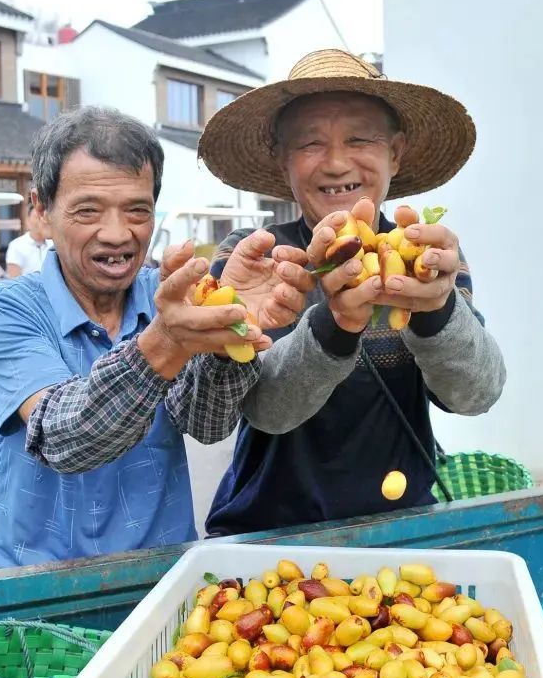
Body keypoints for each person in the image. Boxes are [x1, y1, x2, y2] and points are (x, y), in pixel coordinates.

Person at [0, 106, 313, 570]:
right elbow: (65, 439)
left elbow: (207, 424)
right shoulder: (5, 309)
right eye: (88, 210)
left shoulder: (167, 293)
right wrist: (168, 341)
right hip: (37, 586)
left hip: (164, 573)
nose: (117, 234)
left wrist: (232, 335)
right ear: (43, 212)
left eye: (137, 210)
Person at [197, 49, 507, 536]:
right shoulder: (254, 259)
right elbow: (266, 410)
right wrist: (334, 325)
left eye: (360, 139)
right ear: (283, 162)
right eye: (310, 144)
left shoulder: (427, 256)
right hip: (269, 532)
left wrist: (436, 311)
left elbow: (475, 394)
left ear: (396, 153)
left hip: (402, 527)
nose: (337, 162)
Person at [4, 206, 53, 277]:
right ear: (28, 221)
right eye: (37, 217)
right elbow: (13, 278)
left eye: (43, 217)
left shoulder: (53, 244)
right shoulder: (16, 245)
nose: (41, 220)